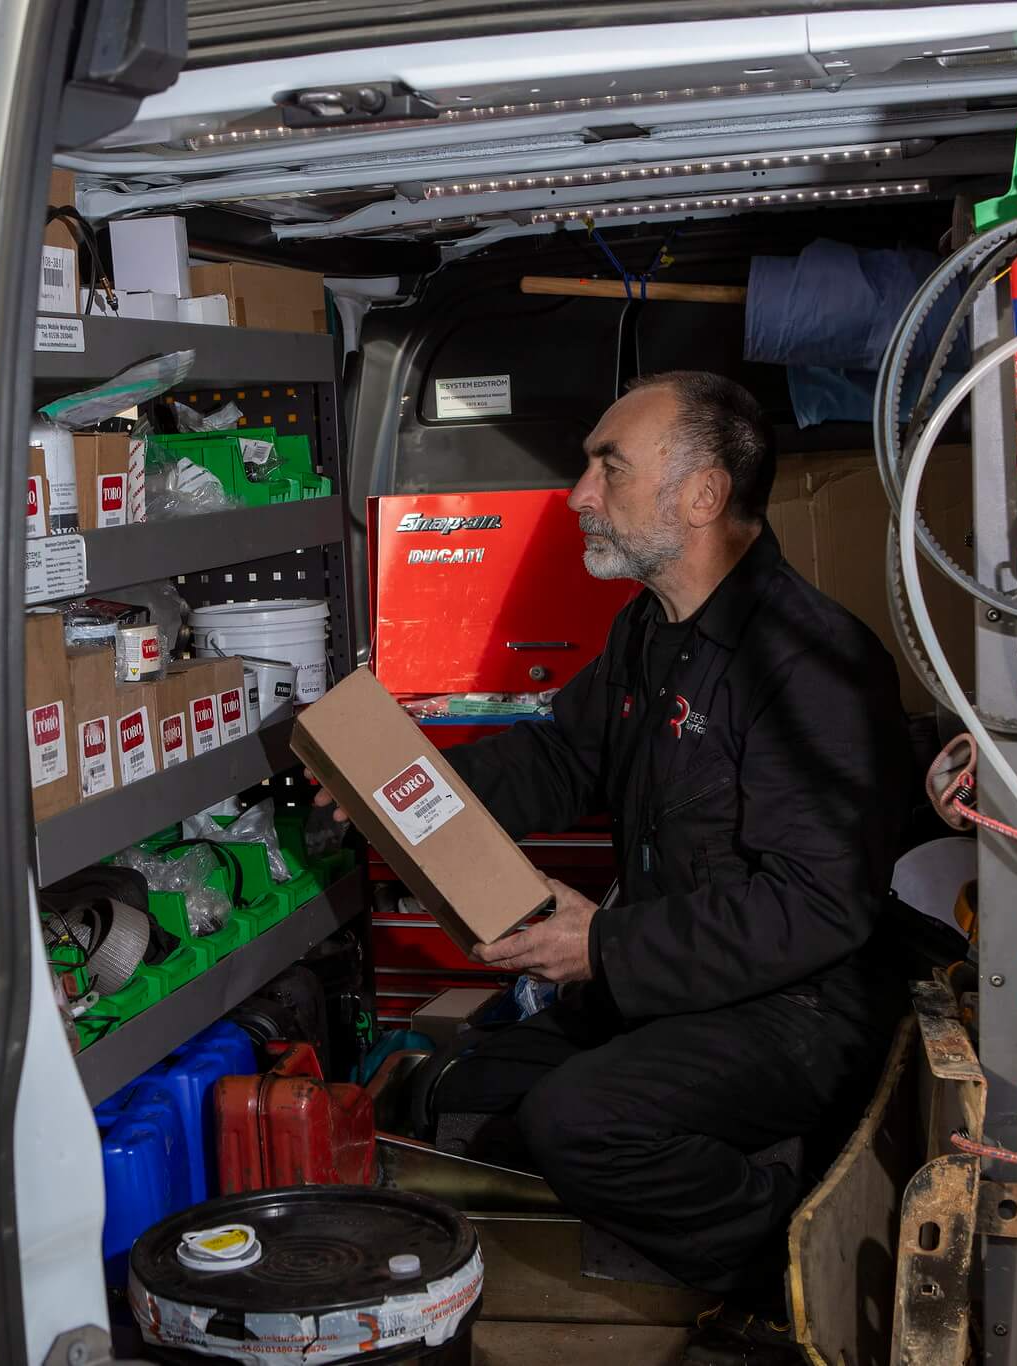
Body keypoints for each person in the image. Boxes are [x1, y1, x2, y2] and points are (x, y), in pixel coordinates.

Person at [321, 371, 912, 1364]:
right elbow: (559, 756)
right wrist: (396, 795)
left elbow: (816, 906)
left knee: (577, 1121)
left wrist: (601, 944)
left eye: (607, 466)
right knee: (462, 1088)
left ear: (701, 496)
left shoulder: (809, 664)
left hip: (796, 1008)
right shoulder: (650, 632)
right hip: (678, 977)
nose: (576, 493)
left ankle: (783, 1258)